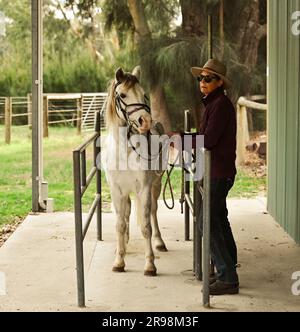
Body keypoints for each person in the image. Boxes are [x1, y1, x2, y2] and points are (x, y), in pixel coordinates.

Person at [190, 59, 239, 295]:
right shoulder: (214, 103)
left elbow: (208, 141)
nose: (203, 82)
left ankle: (227, 276)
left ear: (220, 82)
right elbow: (204, 137)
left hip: (218, 173)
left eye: (208, 78)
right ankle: (229, 265)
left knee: (206, 222)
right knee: (218, 218)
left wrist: (179, 139)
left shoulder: (220, 105)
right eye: (201, 78)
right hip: (219, 172)